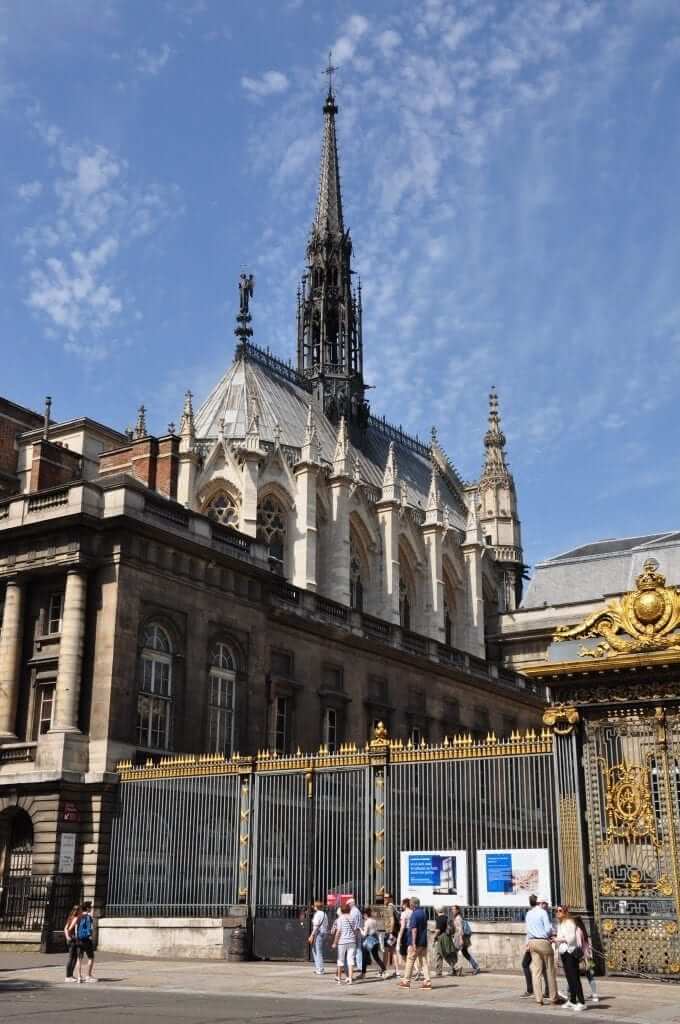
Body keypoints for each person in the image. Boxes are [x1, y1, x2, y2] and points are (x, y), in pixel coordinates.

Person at [525, 895, 558, 1006]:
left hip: (532, 942)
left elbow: (528, 929)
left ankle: (539, 999)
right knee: (550, 970)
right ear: (541, 903)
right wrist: (550, 935)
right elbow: (548, 929)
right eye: (546, 904)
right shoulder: (543, 913)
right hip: (543, 941)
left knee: (536, 971)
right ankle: (553, 997)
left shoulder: (529, 913)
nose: (547, 906)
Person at [556, 906, 586, 1011]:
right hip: (564, 951)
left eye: (560, 911)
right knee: (569, 977)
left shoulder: (569, 922)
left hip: (570, 952)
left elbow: (571, 938)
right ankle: (572, 1000)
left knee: (574, 977)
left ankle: (582, 1002)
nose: (557, 912)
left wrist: (558, 939)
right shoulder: (561, 923)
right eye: (557, 911)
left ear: (565, 912)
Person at [399, 896, 432, 989]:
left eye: (410, 903)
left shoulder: (415, 914)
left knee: (410, 960)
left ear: (412, 904)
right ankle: (427, 981)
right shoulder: (424, 913)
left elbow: (414, 929)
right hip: (423, 941)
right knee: (424, 961)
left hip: (416, 942)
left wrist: (413, 943)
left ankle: (406, 981)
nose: (409, 904)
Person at [572, 913, 599, 1004]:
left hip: (581, 957)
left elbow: (579, 945)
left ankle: (570, 993)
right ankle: (595, 995)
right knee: (590, 976)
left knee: (573, 975)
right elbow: (586, 944)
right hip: (587, 955)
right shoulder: (583, 929)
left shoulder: (577, 930)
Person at [332, 903, 358, 985]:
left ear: (341, 910)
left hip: (342, 941)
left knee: (340, 960)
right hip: (352, 941)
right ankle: (350, 979)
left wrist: (335, 942)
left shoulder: (340, 919)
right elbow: (355, 930)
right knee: (350, 960)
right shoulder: (352, 918)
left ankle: (339, 979)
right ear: (349, 910)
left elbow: (338, 931)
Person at [451, 905, 480, 975]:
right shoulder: (457, 917)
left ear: (457, 910)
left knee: (453, 953)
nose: (452, 911)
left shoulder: (458, 918)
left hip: (459, 938)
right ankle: (476, 967)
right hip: (459, 937)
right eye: (452, 909)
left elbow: (460, 930)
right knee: (465, 953)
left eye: (454, 909)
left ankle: (455, 969)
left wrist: (461, 939)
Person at [75, 901, 97, 983]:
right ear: (87, 908)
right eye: (90, 907)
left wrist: (77, 937)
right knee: (91, 957)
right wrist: (90, 937)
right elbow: (89, 929)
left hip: (79, 939)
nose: (91, 908)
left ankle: (79, 977)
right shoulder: (88, 917)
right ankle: (88, 976)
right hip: (86, 940)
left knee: (79, 958)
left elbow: (76, 928)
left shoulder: (79, 916)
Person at [360, 907, 385, 978]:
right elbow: (376, 931)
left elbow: (364, 934)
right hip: (375, 940)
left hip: (368, 940)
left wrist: (360, 929)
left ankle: (363, 973)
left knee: (364, 957)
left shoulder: (367, 922)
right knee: (376, 957)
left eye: (363, 915)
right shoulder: (374, 920)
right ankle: (383, 969)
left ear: (365, 914)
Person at [308, 900, 328, 975]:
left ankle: (320, 969)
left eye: (314, 906)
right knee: (315, 950)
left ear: (316, 907)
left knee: (318, 951)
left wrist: (311, 935)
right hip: (323, 933)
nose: (313, 907)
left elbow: (316, 926)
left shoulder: (317, 914)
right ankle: (318, 968)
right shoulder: (324, 914)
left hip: (318, 933)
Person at [382, 893, 399, 978]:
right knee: (393, 951)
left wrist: (391, 933)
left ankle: (383, 970)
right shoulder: (391, 906)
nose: (385, 898)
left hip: (390, 932)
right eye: (384, 897)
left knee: (386, 951)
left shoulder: (389, 907)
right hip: (392, 932)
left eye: (387, 897)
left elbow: (392, 920)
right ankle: (397, 971)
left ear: (391, 898)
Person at [63, 904, 81, 983]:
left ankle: (70, 975)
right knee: (72, 958)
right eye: (80, 910)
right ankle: (68, 976)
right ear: (78, 911)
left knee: (73, 957)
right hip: (73, 940)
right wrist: (71, 937)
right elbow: (69, 929)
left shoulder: (70, 917)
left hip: (70, 939)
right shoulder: (76, 918)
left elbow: (65, 928)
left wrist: (67, 937)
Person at [395, 897, 411, 978]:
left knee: (403, 954)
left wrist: (399, 937)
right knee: (410, 954)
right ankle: (414, 971)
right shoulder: (413, 912)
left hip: (405, 933)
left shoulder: (404, 913)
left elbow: (402, 926)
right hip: (411, 932)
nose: (401, 905)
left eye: (402, 903)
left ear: (405, 904)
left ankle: (407, 972)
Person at [347, 898, 364, 975]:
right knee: (358, 949)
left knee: (353, 950)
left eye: (348, 904)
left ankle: (353, 966)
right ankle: (360, 966)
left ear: (351, 904)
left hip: (354, 931)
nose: (348, 906)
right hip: (358, 931)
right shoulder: (357, 911)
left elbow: (351, 923)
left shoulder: (353, 912)